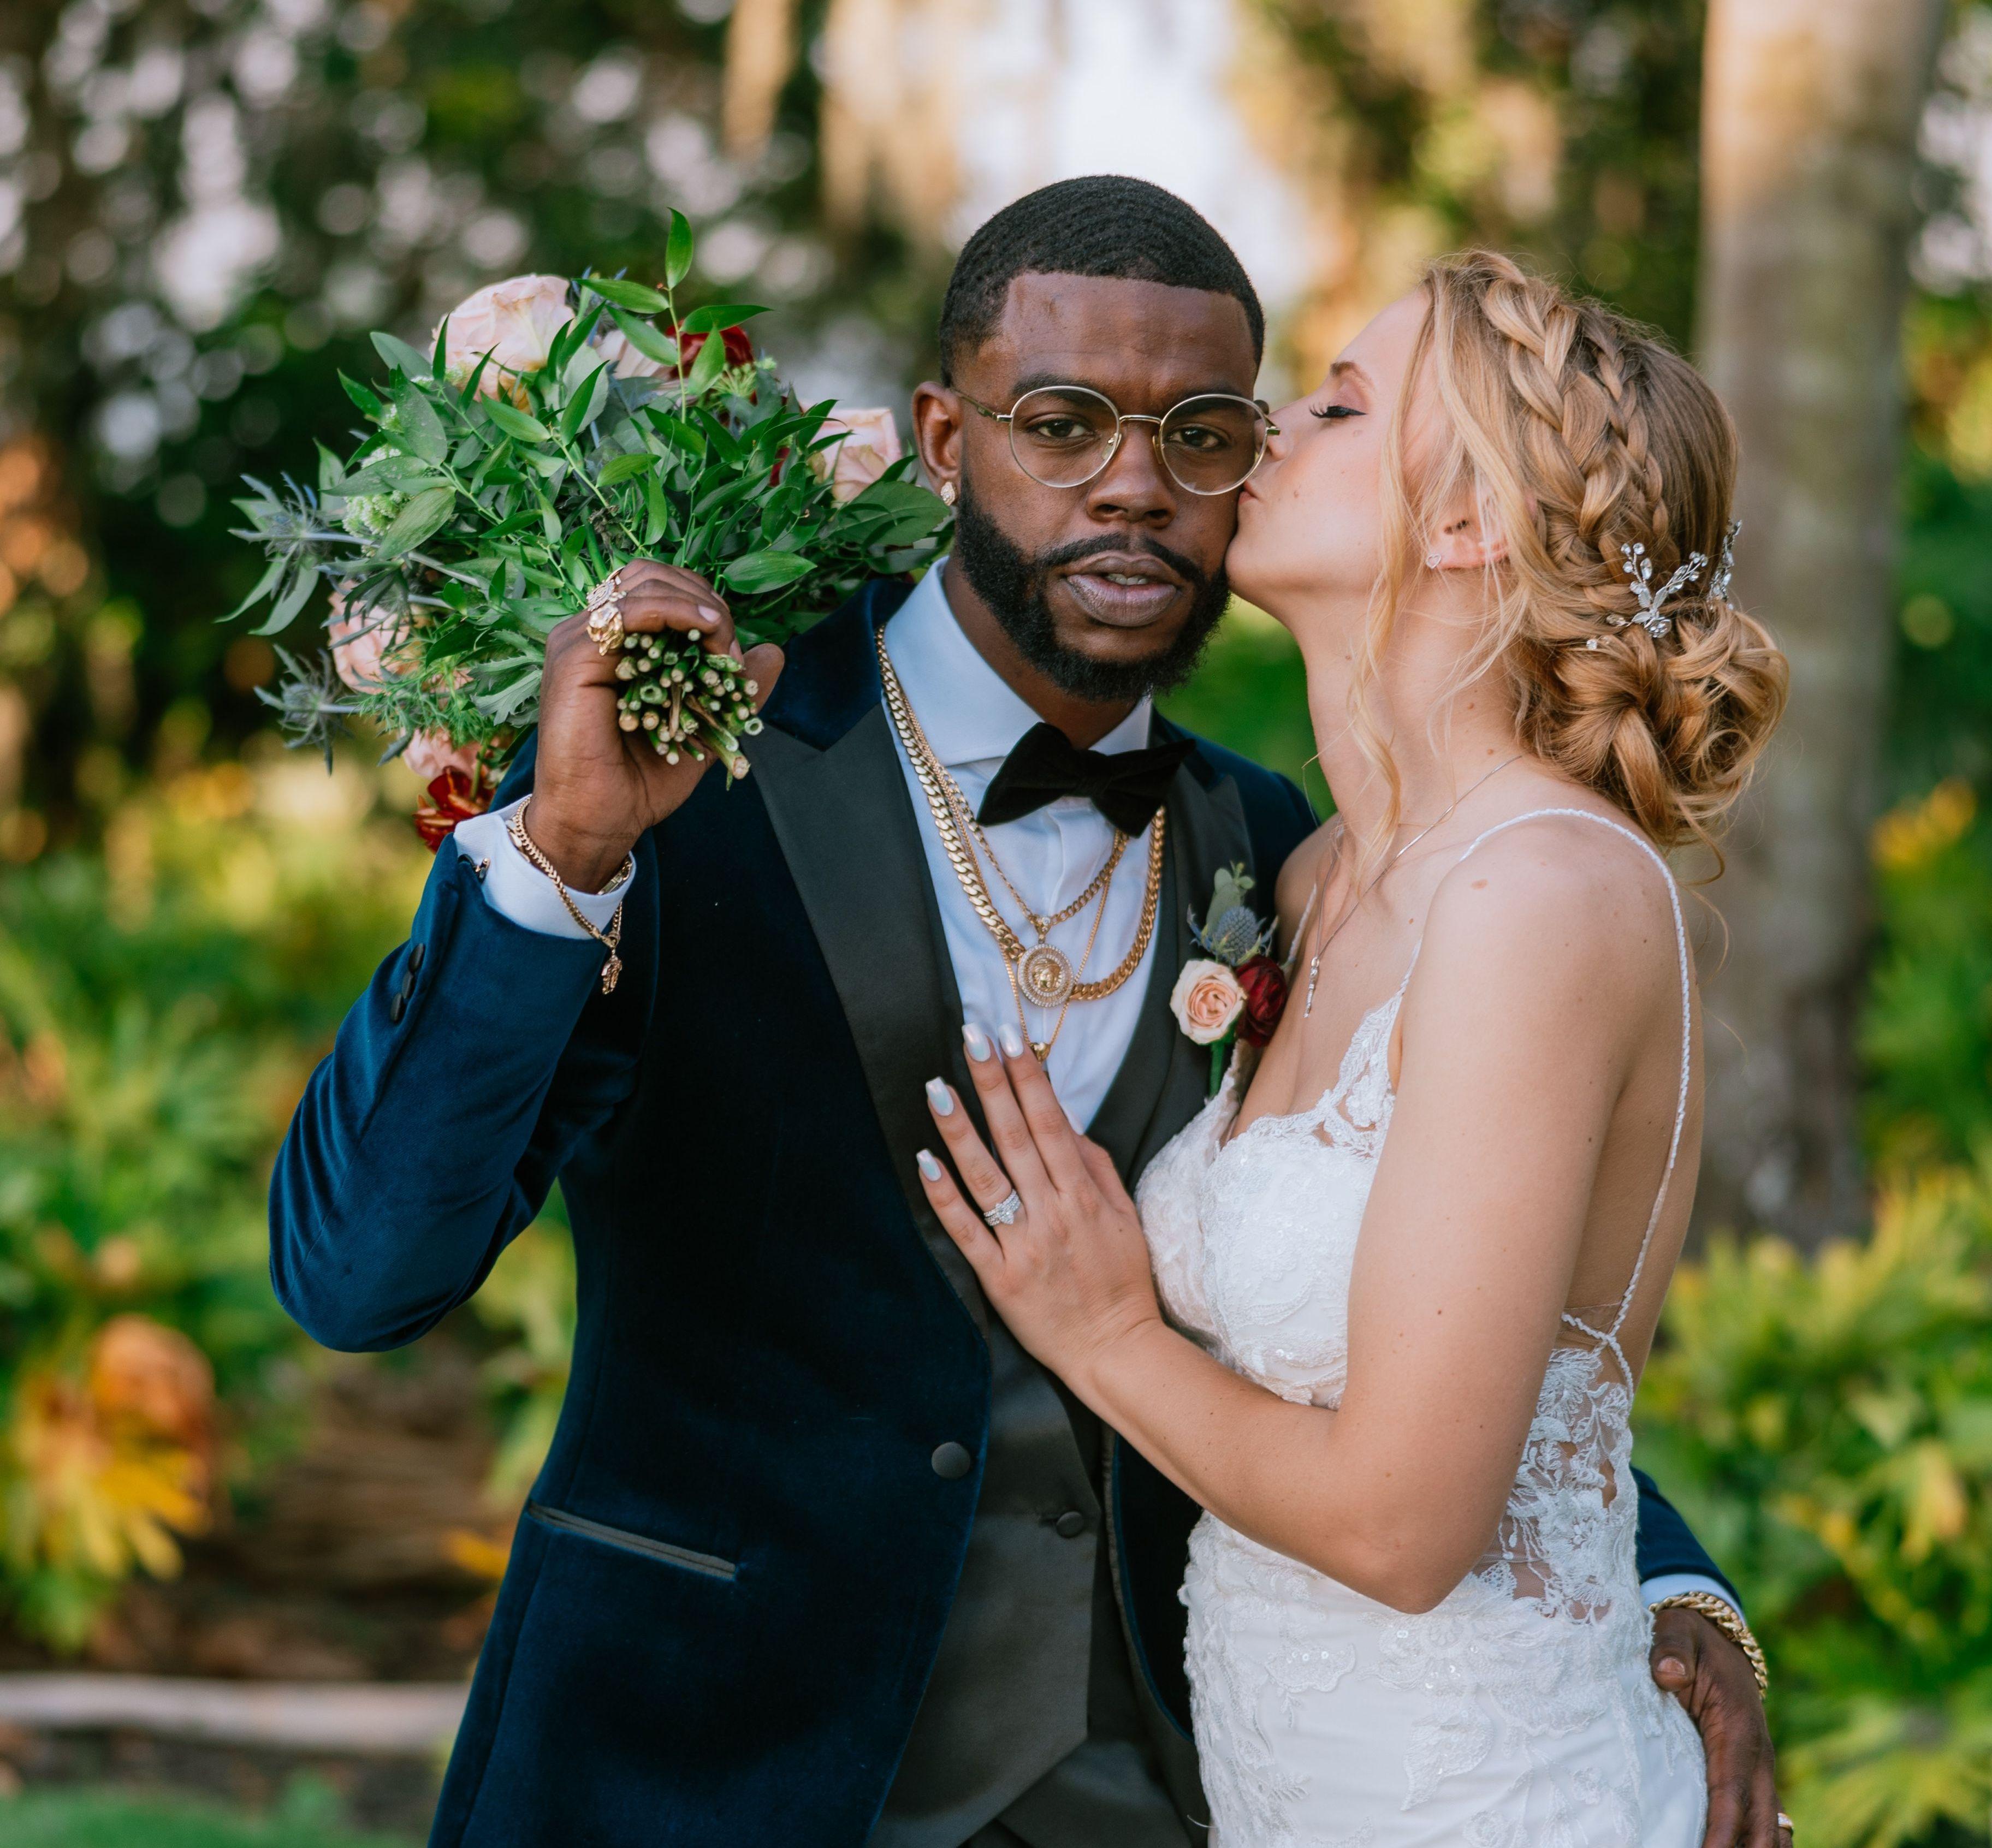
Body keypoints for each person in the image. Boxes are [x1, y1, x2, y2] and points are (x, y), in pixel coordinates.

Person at [271, 181, 1776, 1847]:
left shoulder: (1284, 849)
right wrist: (563, 855)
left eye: (1208, 432)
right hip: (690, 1774)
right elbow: (361, 1273)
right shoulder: (678, 760)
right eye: (1062, 423)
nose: (1135, 483)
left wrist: (1662, 1585)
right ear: (944, 436)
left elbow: (1437, 1315)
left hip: (1150, 1798)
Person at [910, 249, 1791, 1846]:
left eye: (1337, 405)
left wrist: (1104, 1334)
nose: (1266, 427)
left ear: (1467, 524)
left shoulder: (1543, 894)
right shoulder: (1305, 874)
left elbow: (1404, 1524)